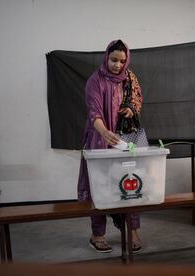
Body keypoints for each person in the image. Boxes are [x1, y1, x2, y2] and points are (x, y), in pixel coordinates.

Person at [77, 39, 143, 253]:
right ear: (106, 57)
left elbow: (137, 100)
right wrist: (105, 132)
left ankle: (132, 231)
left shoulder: (129, 79)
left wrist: (132, 109)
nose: (117, 65)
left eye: (122, 61)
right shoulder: (94, 81)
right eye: (113, 60)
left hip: (125, 140)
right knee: (99, 188)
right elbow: (94, 111)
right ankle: (98, 235)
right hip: (99, 138)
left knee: (130, 184)